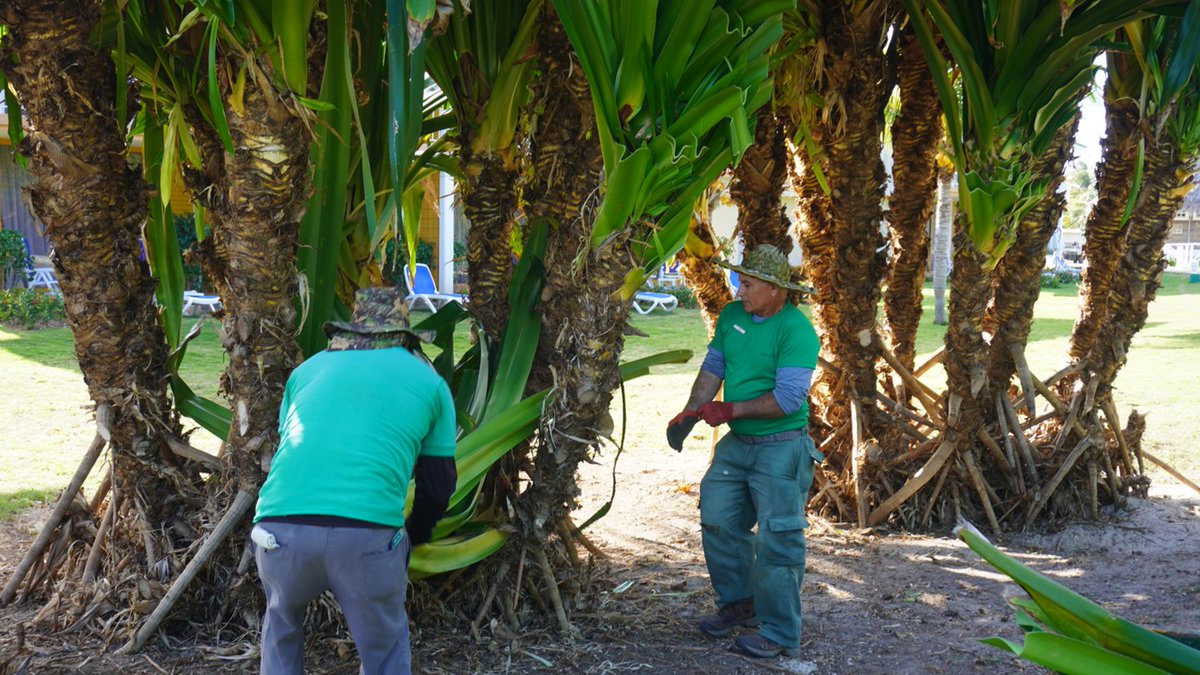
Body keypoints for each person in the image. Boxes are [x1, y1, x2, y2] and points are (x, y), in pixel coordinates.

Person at [251, 287, 457, 675]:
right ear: (405, 339)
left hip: (278, 534)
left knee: (281, 629)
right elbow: (437, 483)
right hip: (366, 539)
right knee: (384, 652)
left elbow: (294, 452)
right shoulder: (428, 381)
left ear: (350, 332)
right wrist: (415, 535)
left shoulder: (306, 371)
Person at [667, 244, 822, 659]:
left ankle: (780, 633)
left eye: (749, 284)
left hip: (782, 446)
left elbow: (789, 398)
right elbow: (713, 367)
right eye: (741, 281)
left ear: (775, 289)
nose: (740, 291)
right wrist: (692, 411)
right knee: (717, 518)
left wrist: (728, 409)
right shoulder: (733, 317)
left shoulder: (797, 331)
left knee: (779, 540)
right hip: (739, 445)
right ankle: (740, 604)